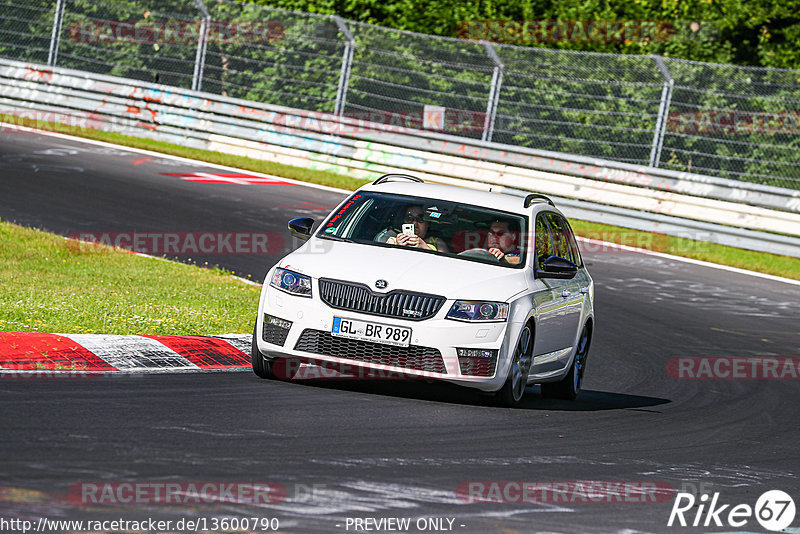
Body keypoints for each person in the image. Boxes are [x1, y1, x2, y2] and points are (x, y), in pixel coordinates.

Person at [382, 205, 448, 252]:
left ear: (427, 223)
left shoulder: (437, 243)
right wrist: (399, 247)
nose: (414, 223)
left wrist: (423, 246)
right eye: (409, 218)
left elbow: (445, 264)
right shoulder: (392, 239)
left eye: (420, 219)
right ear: (404, 221)